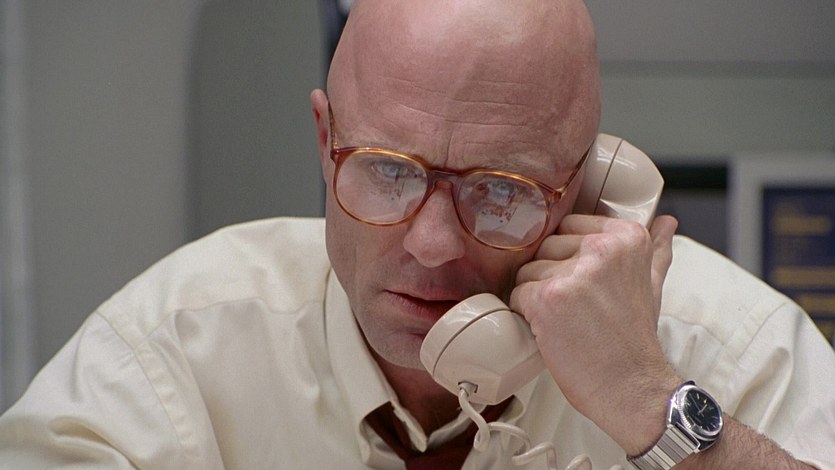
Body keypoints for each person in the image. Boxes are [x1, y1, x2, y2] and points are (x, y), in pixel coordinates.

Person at [1, 1, 833, 468]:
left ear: (585, 187)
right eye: (387, 171)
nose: (433, 244)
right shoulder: (178, 348)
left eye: (500, 189)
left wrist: (651, 407)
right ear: (325, 145)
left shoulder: (725, 342)